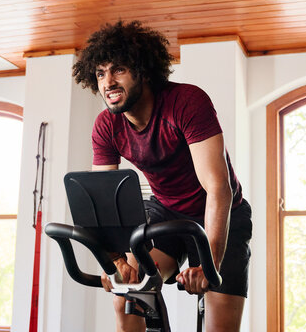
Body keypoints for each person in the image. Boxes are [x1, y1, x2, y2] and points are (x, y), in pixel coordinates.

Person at [72, 20, 252, 332]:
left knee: (220, 326)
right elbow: (104, 206)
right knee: (127, 293)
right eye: (101, 73)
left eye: (118, 70)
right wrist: (115, 262)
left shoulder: (187, 102)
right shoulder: (106, 125)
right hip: (166, 211)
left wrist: (209, 264)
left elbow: (218, 187)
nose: (108, 82)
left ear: (142, 70)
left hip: (223, 216)